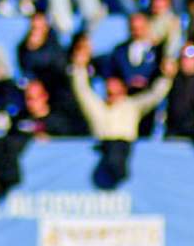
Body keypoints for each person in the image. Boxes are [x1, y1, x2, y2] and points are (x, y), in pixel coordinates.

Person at [69, 43, 170, 189]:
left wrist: (166, 77)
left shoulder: (132, 106)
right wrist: (79, 67)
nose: (111, 87)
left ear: (123, 87)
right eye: (108, 85)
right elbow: (82, 90)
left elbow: (155, 95)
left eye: (115, 84)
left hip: (124, 147)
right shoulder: (97, 107)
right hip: (104, 145)